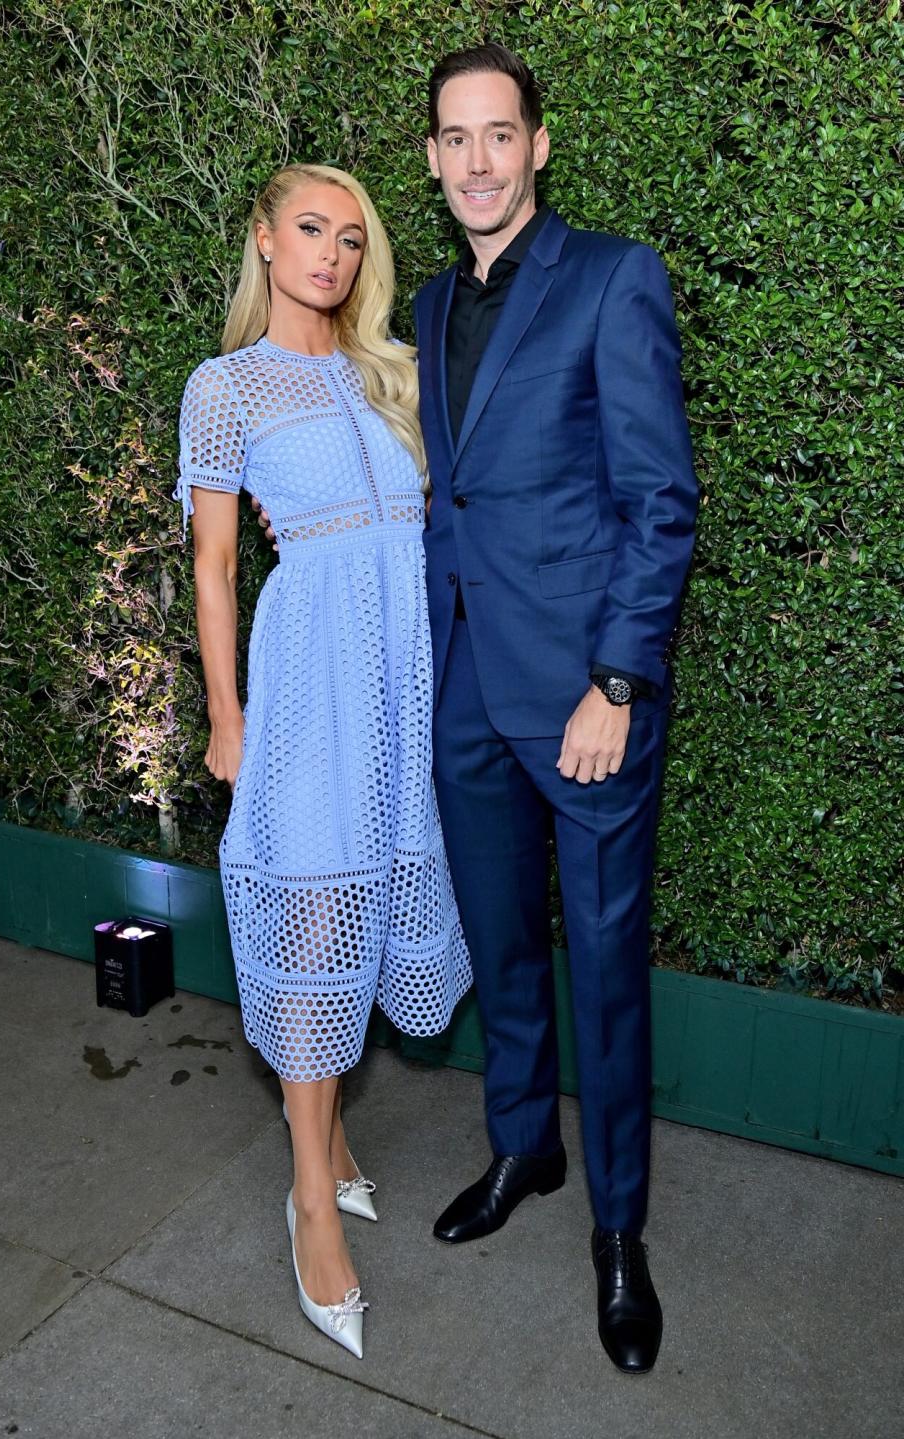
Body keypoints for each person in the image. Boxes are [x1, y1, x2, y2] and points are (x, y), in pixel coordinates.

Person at [415, 44, 698, 1374]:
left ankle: (621, 1229)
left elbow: (660, 499)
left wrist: (620, 680)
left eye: (499, 135)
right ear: (432, 158)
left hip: (585, 697)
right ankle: (525, 1145)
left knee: (602, 968)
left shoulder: (613, 277)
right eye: (453, 139)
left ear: (539, 144)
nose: (477, 160)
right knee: (501, 941)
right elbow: (455, 498)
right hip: (466, 682)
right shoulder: (425, 305)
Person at [176, 163, 470, 1361]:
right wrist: (225, 713)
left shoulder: (385, 373)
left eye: (352, 239)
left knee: (364, 901)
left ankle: (335, 1140)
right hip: (305, 691)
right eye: (310, 230)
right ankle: (310, 1193)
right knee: (310, 922)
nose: (332, 256)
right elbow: (213, 566)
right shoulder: (225, 385)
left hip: (400, 690)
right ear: (263, 237)